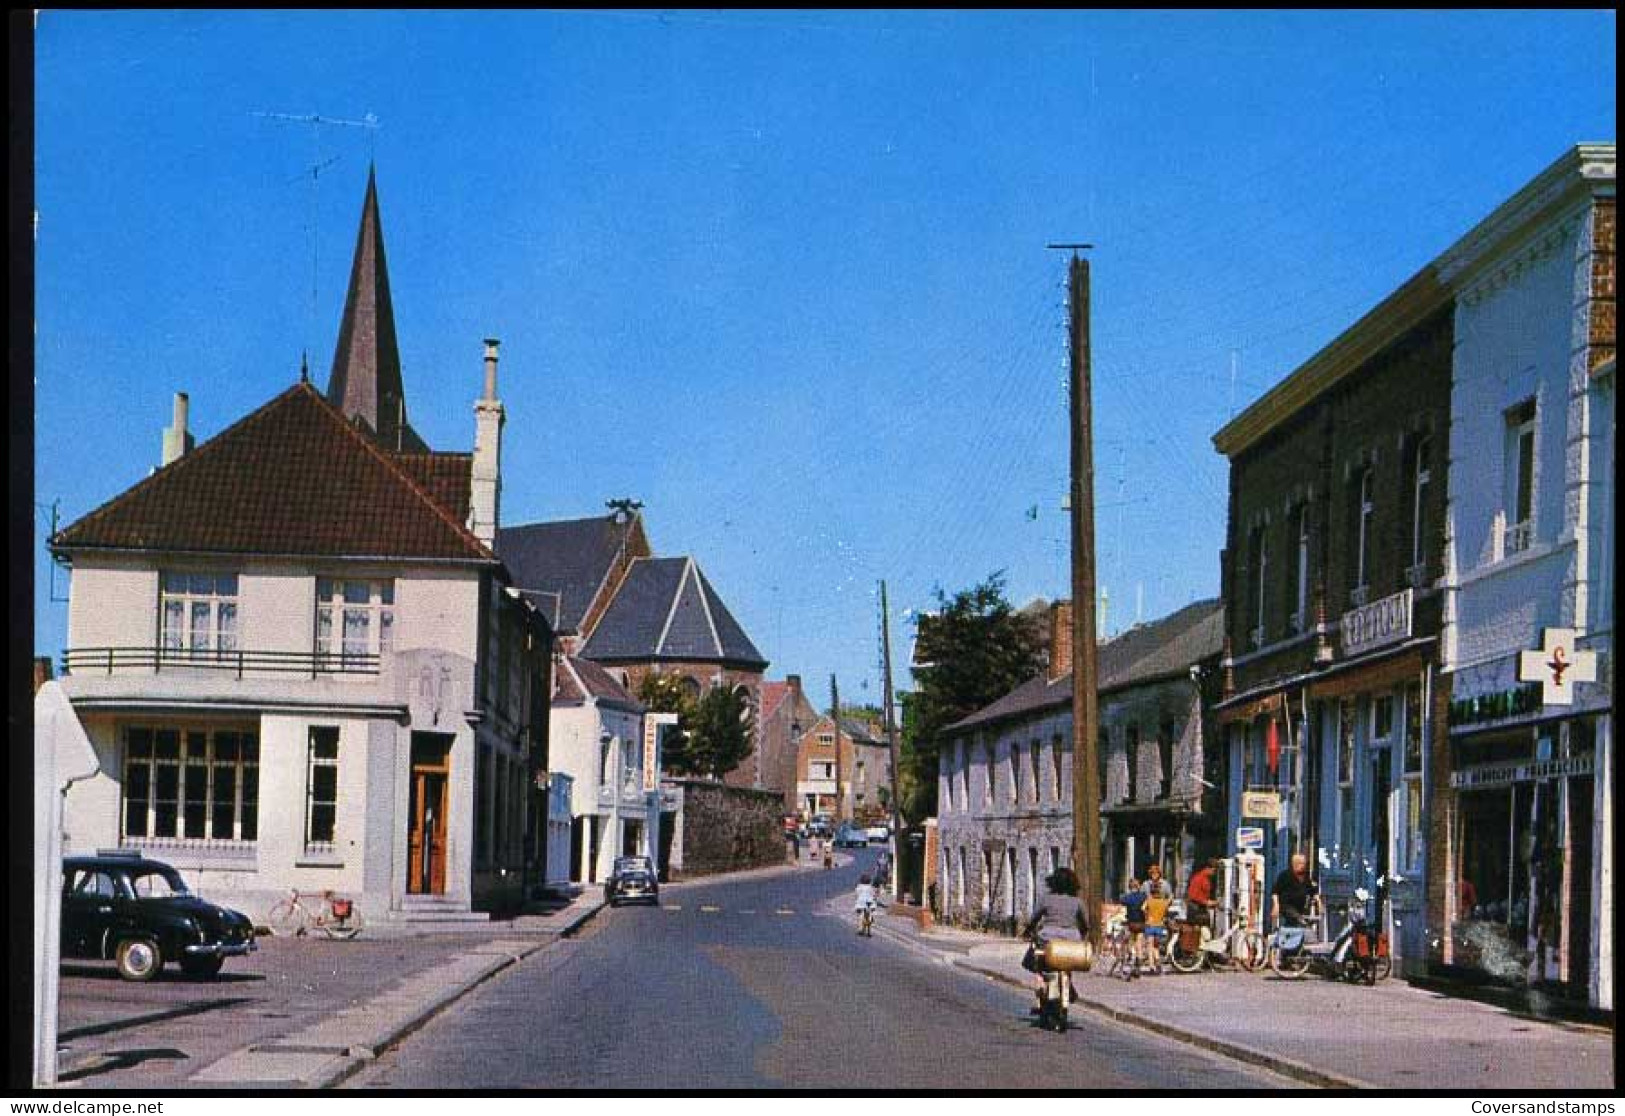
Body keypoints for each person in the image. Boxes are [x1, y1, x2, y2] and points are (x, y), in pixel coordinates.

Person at [1027, 866, 1088, 1007]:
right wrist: (1083, 934)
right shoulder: (1077, 902)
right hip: (1072, 938)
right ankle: (1068, 985)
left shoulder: (1046, 899)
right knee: (1067, 962)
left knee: (1038, 957)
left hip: (1049, 937)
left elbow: (1035, 917)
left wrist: (1029, 930)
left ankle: (1041, 982)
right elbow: (1085, 922)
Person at [1270, 852, 1316, 929]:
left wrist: (1318, 899)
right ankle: (1301, 923)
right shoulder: (1285, 875)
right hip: (1287, 906)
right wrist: (1276, 905)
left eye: (1304, 863)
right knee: (1297, 919)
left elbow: (1312, 890)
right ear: (1294, 864)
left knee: (1292, 926)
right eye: (1301, 863)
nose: (1303, 866)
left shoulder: (1305, 876)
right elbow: (1275, 891)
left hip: (1300, 907)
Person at [1118, 878, 1149, 975]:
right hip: (1141, 923)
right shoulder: (1143, 896)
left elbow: (1121, 901)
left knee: (1130, 941)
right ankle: (1138, 965)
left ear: (1129, 887)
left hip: (1131, 923)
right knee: (1139, 944)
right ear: (1138, 886)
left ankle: (1130, 956)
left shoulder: (1127, 897)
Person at [1185, 858, 1218, 927]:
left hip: (1199, 909)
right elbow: (1193, 895)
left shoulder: (1204, 878)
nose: (1214, 873)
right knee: (1205, 934)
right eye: (1213, 870)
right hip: (1197, 911)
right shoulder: (1199, 878)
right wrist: (1207, 902)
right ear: (1207, 868)